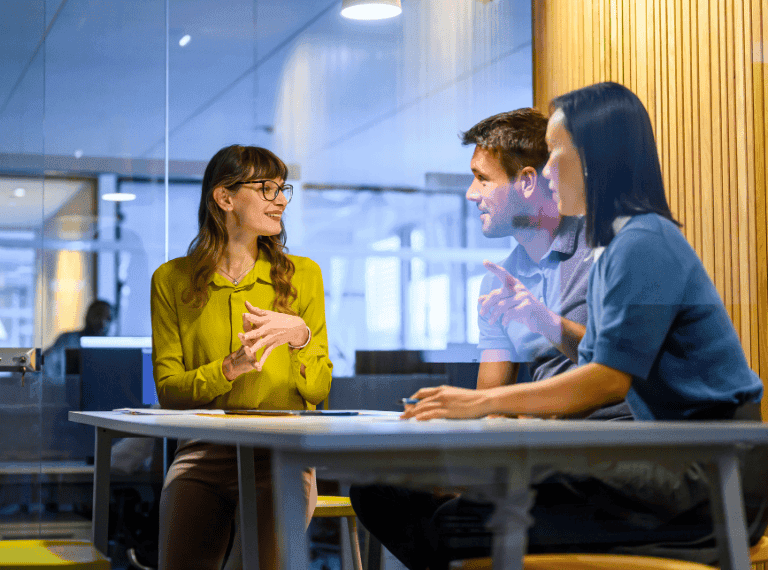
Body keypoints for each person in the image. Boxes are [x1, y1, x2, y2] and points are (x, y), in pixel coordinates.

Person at [362, 83, 767, 569]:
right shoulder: (623, 240)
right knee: (440, 513)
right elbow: (600, 357)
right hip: (681, 467)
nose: (548, 169)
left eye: (556, 152)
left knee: (462, 525)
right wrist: (537, 319)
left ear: (594, 158)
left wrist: (482, 401)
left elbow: (608, 380)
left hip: (708, 480)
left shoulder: (643, 240)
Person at [150, 145, 332, 570]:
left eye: (282, 188)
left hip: (282, 454)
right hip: (203, 452)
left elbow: (320, 388)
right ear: (225, 198)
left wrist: (300, 337)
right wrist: (229, 368)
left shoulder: (304, 274)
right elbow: (169, 392)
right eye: (266, 188)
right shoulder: (171, 279)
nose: (281, 199)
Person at [43, 299, 114, 380]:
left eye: (108, 319)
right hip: (68, 390)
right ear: (87, 315)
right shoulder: (67, 339)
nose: (103, 322)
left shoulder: (113, 348)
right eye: (98, 315)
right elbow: (44, 360)